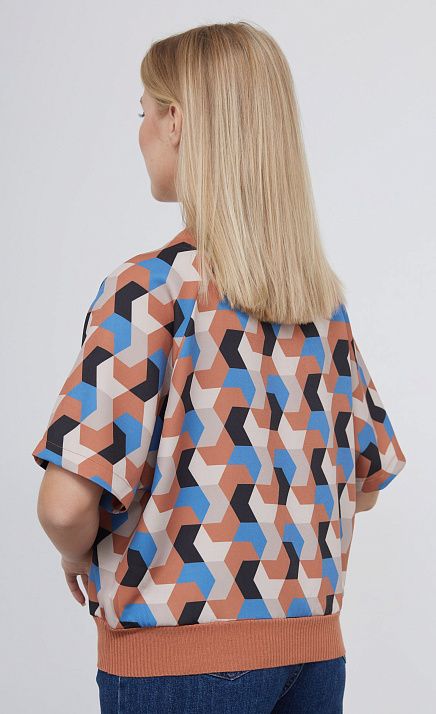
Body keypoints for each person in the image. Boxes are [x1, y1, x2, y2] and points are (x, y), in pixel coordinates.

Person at [31, 21, 406, 714]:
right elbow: (365, 483)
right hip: (313, 658)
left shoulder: (150, 291)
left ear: (176, 122)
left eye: (144, 113)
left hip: (182, 664)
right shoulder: (320, 306)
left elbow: (65, 505)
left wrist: (77, 552)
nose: (141, 133)